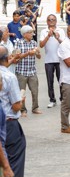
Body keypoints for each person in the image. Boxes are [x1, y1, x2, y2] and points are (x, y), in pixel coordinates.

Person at [0, 45, 26, 177]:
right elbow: (16, 106)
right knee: (14, 160)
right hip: (8, 124)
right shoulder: (9, 77)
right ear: (7, 58)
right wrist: (21, 100)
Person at [39, 14, 65, 108]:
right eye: (49, 20)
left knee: (61, 81)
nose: (51, 21)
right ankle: (52, 100)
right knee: (50, 82)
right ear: (47, 22)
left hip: (59, 60)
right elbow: (41, 45)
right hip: (48, 60)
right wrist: (48, 36)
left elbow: (65, 44)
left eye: (53, 20)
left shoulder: (60, 30)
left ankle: (62, 98)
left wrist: (57, 38)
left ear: (56, 21)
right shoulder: (43, 31)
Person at [15, 25, 42, 117]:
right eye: (30, 33)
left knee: (35, 91)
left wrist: (37, 52)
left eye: (32, 32)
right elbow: (16, 57)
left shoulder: (34, 43)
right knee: (22, 92)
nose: (32, 34)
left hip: (32, 71)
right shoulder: (18, 43)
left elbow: (39, 57)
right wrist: (27, 53)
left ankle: (35, 108)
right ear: (24, 34)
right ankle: (22, 110)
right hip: (21, 71)